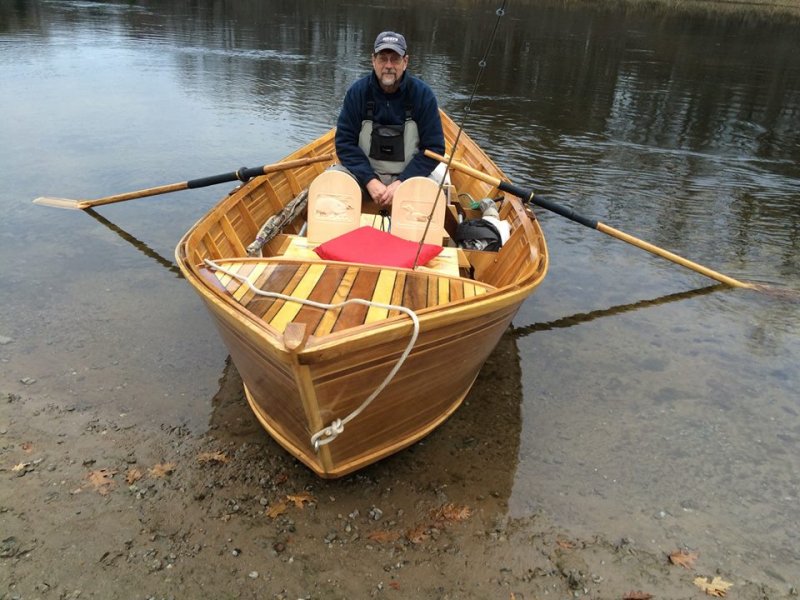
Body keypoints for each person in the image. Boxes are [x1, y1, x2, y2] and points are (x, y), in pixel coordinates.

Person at [333, 31, 446, 209]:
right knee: (332, 185)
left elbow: (434, 149)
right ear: (373, 61)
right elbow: (344, 143)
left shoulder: (423, 95)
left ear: (405, 62)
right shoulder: (357, 92)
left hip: (409, 179)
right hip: (363, 177)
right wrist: (370, 180)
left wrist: (402, 182)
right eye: (382, 59)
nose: (388, 65)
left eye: (395, 59)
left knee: (434, 199)